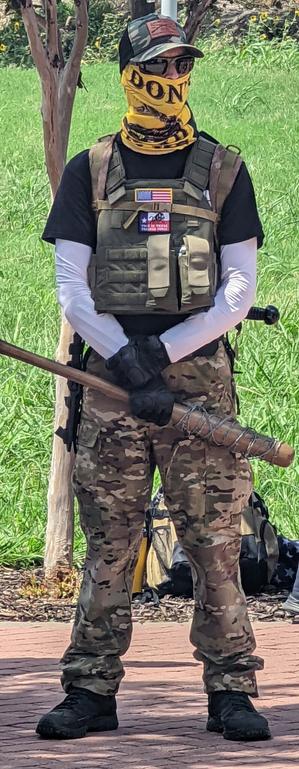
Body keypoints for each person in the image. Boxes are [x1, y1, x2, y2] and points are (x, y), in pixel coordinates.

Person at [36, 13, 271, 742]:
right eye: (159, 65)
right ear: (131, 73)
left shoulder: (223, 169)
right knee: (110, 542)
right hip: (109, 384)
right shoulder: (91, 169)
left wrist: (162, 355)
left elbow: (238, 288)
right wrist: (125, 356)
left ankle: (230, 690)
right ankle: (90, 688)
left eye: (181, 65)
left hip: (196, 384)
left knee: (214, 543)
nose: (172, 78)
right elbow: (72, 285)